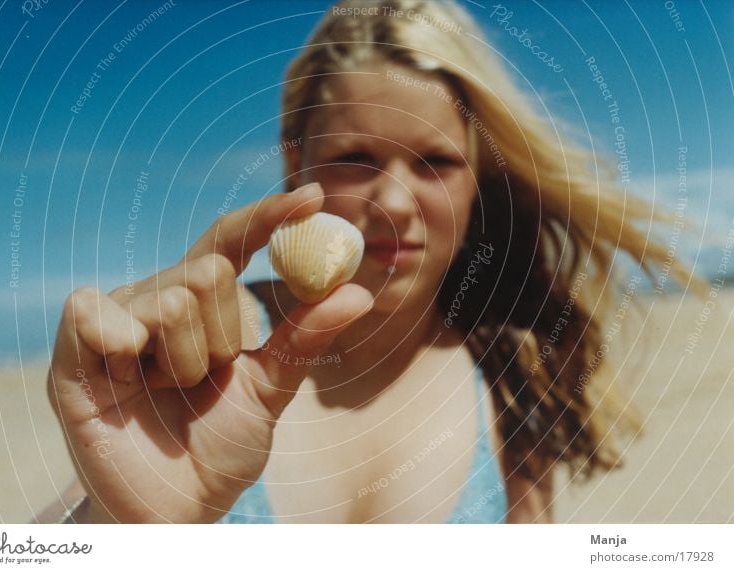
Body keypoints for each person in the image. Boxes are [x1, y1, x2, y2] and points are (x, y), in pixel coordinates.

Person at [39, 0, 703, 524]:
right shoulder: (210, 353)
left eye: (435, 161)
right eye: (357, 157)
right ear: (295, 161)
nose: (392, 200)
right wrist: (125, 531)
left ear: (478, 175)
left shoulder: (512, 376)